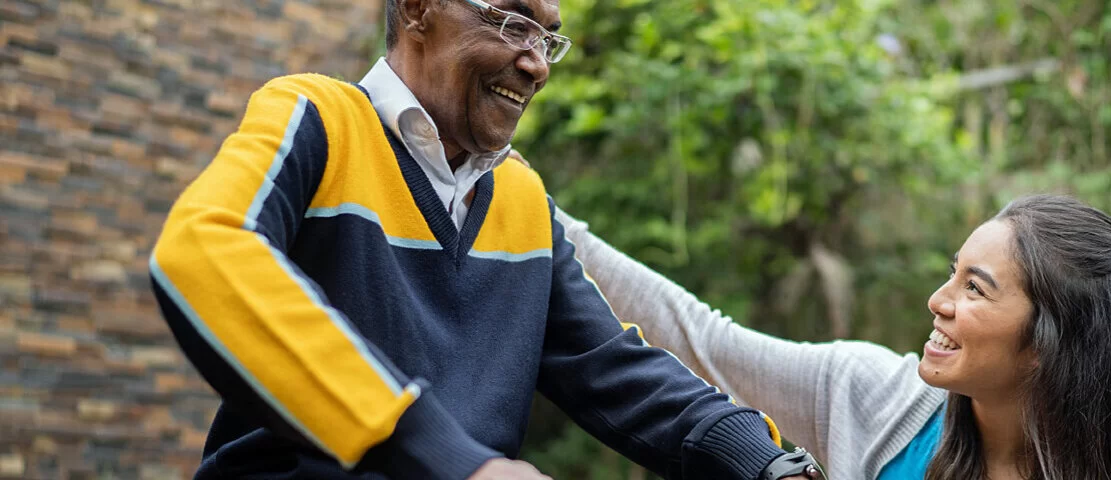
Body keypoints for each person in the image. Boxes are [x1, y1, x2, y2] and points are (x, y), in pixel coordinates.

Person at [147, 0, 821, 478]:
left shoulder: (521, 197)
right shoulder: (318, 119)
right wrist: (447, 457)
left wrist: (765, 460)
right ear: (417, 9)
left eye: (547, 37)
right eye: (512, 22)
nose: (537, 65)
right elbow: (203, 249)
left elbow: (615, 369)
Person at [557, 194, 1111, 480]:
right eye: (952, 274)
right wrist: (545, 225)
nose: (938, 302)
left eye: (974, 289)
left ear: (1048, 344)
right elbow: (702, 341)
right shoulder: (867, 396)